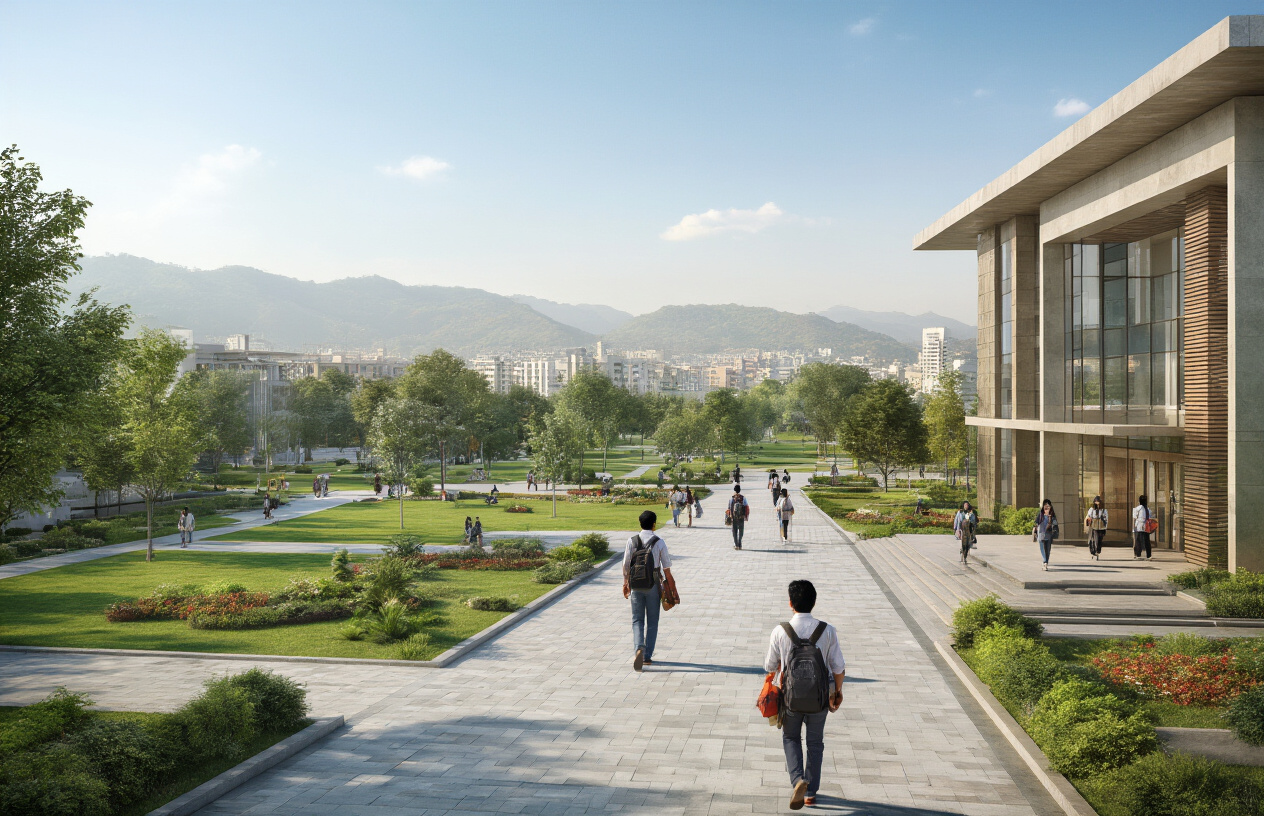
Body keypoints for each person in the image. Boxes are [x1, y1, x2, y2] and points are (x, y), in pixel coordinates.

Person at [764, 580, 846, 811]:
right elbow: (838, 667)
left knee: (791, 738)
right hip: (820, 697)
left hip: (789, 697)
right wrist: (837, 692)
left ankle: (797, 780)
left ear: (790, 603)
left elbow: (770, 665)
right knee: (815, 743)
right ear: (814, 602)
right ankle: (810, 792)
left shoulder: (780, 631)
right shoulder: (827, 630)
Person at [623, 509, 676, 671]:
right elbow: (666, 568)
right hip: (653, 585)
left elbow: (626, 565)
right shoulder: (659, 542)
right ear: (654, 524)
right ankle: (646, 656)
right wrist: (673, 589)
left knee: (637, 619)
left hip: (636, 584)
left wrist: (626, 583)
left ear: (640, 523)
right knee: (652, 622)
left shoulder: (631, 541)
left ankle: (639, 647)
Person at [1035, 498, 1059, 571]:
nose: (1047, 507)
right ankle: (1045, 562)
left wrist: (1050, 519)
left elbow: (1055, 524)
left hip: (1048, 534)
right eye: (1045, 505)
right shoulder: (1041, 514)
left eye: (1048, 505)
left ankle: (1046, 562)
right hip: (1041, 534)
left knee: (1048, 550)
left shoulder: (1052, 516)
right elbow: (1036, 523)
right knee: (1042, 548)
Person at [1084, 495, 1108, 561]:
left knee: (1099, 540)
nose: (1097, 503)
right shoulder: (1092, 509)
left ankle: (1097, 551)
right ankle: (1093, 551)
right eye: (1096, 501)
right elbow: (1088, 516)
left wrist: (1105, 527)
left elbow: (1106, 519)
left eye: (1098, 501)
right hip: (1093, 525)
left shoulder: (1103, 510)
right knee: (1093, 539)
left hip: (1101, 526)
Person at [1132, 495, 1153, 560]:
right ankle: (1138, 554)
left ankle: (1147, 554)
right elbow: (1134, 518)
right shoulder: (1138, 509)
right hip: (1139, 526)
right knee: (1139, 540)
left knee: (1145, 541)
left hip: (1145, 526)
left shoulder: (1148, 509)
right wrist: (1133, 528)